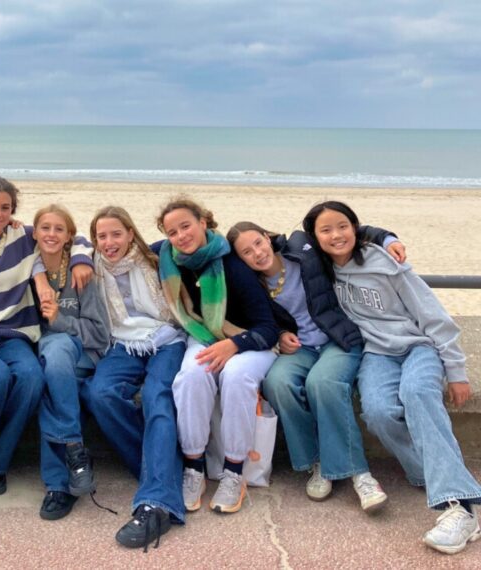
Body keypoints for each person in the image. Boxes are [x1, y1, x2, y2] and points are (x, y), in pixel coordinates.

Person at [303, 200, 481, 555]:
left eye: (343, 226)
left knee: (417, 394)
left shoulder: (385, 262)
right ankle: (426, 472)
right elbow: (282, 244)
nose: (336, 235)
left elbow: (432, 314)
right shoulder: (321, 270)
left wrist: (456, 371)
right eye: (326, 229)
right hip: (377, 353)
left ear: (356, 227)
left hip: (419, 346)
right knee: (379, 412)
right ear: (315, 237)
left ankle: (460, 506)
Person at [227, 220, 404, 512]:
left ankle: (361, 475)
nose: (257, 253)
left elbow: (348, 231)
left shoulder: (302, 249)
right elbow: (260, 324)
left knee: (322, 383)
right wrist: (281, 335)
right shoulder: (252, 288)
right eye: (247, 252)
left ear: (267, 237)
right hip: (302, 349)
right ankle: (316, 462)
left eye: (258, 243)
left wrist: (388, 240)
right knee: (277, 383)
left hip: (338, 339)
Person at [0, 177, 94, 500]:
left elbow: (71, 234)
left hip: (12, 335)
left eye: (5, 207)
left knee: (30, 377)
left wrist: (81, 258)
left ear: (13, 212)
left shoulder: (23, 238)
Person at [155, 197, 279, 516]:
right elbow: (126, 244)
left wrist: (234, 344)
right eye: (173, 231)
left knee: (236, 376)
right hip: (204, 334)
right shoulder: (169, 258)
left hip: (250, 340)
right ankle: (194, 468)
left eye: (186, 226)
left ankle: (234, 473)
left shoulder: (232, 265)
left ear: (204, 223)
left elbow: (267, 327)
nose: (181, 236)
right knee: (191, 376)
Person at [81, 205, 186, 550]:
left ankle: (156, 502)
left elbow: (204, 242)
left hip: (167, 339)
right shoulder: (91, 265)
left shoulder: (157, 259)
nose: (109, 242)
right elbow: (56, 246)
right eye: (102, 236)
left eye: (116, 234)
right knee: (101, 393)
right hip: (122, 344)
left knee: (158, 397)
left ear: (130, 233)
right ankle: (159, 468)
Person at [30, 204, 110, 520]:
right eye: (44, 228)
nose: (51, 234)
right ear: (33, 233)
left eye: (59, 229)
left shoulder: (82, 274)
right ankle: (72, 462)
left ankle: (58, 485)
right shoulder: (26, 270)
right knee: (53, 376)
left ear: (69, 237)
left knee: (59, 352)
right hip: (42, 359)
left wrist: (61, 320)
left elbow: (100, 335)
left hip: (80, 355)